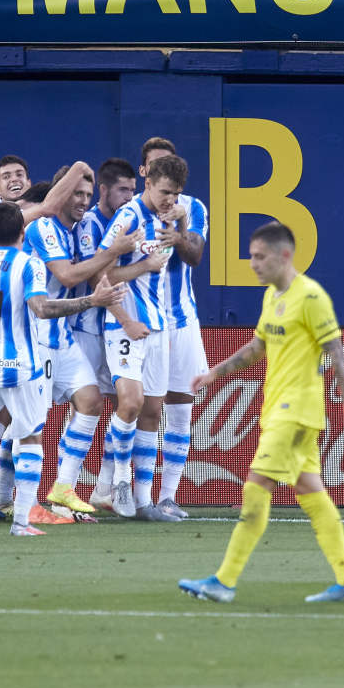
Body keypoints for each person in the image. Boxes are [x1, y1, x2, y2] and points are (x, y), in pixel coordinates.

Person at [179, 221, 344, 604]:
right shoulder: (272, 297)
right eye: (251, 256)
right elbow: (255, 348)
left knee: (256, 487)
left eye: (259, 256)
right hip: (280, 410)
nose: (252, 263)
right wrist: (213, 373)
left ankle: (224, 580)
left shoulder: (311, 297)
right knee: (311, 493)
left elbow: (336, 353)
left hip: (296, 411)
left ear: (284, 256)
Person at [0, 202, 126, 536]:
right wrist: (92, 301)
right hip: (20, 368)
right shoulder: (29, 264)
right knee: (29, 439)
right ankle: (21, 523)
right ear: (21, 231)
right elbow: (42, 308)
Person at [25, 165, 138, 516]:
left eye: (87, 196)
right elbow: (68, 274)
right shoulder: (43, 226)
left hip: (62, 333)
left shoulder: (76, 230)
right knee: (29, 421)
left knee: (90, 401)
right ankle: (19, 502)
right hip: (35, 334)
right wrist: (113, 252)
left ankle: (62, 489)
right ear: (61, 191)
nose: (83, 202)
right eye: (77, 193)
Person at [93, 155, 176, 520]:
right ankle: (120, 482)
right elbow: (101, 272)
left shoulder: (168, 220)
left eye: (175, 194)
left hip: (158, 326)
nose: (169, 200)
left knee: (152, 412)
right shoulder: (128, 217)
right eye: (164, 192)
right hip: (124, 325)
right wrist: (125, 320)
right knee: (129, 401)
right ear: (148, 183)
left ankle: (143, 501)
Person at [132, 137, 211, 521]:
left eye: (170, 165)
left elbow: (194, 254)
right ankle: (134, 495)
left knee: (181, 407)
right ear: (144, 172)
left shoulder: (193, 207)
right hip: (144, 323)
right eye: (156, 165)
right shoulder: (132, 211)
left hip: (181, 320)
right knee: (145, 407)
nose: (165, 172)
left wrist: (178, 231)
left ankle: (168, 496)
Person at [72, 158, 138, 511]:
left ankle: (103, 487)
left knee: (121, 406)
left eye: (133, 189)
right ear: (105, 190)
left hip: (113, 330)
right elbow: (97, 278)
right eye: (123, 190)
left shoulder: (129, 223)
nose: (130, 196)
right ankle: (63, 488)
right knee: (84, 409)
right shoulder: (90, 225)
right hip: (87, 330)